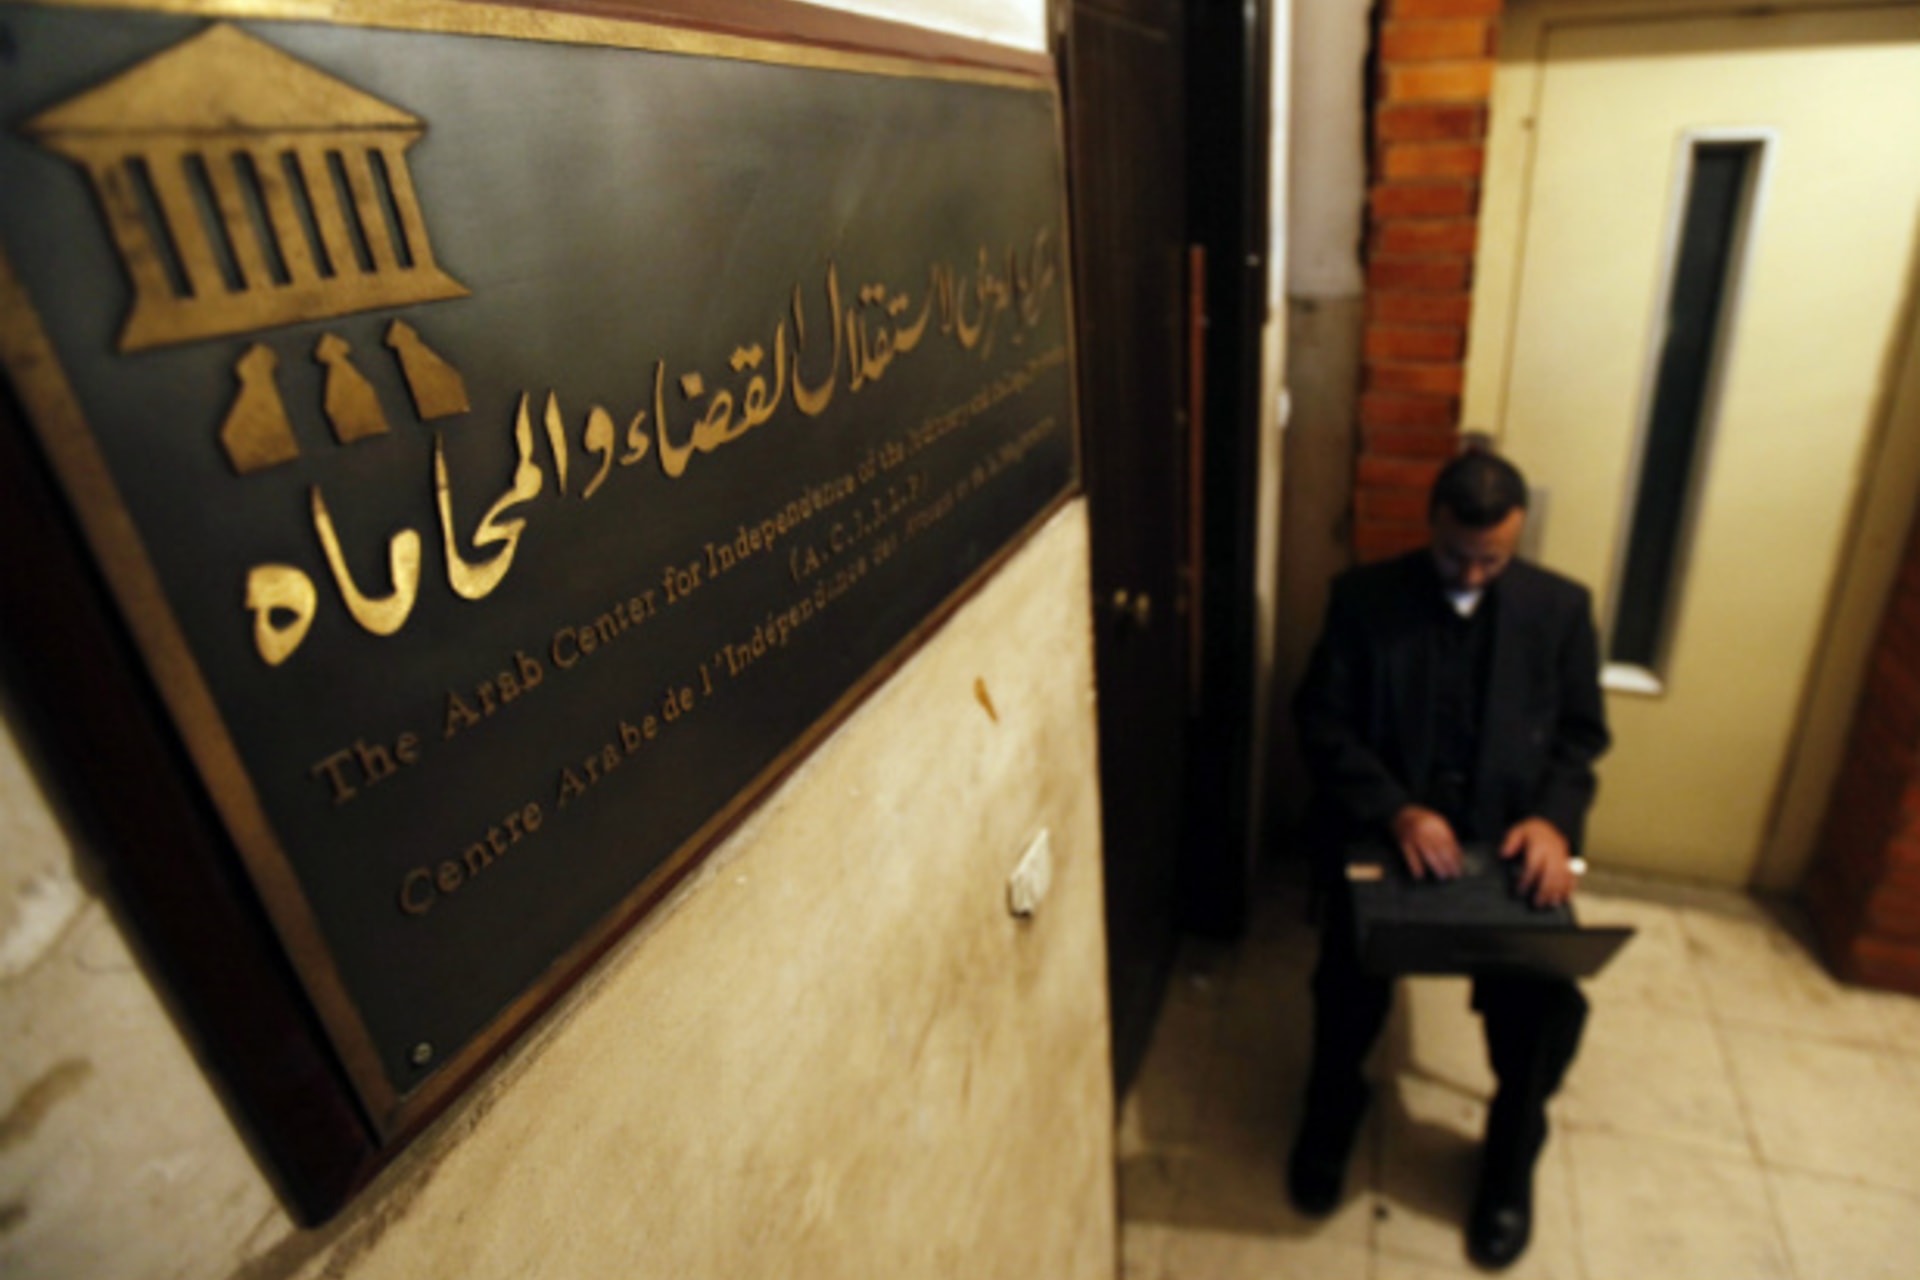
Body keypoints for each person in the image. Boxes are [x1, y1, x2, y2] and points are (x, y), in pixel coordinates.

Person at [1287, 444, 1609, 1269]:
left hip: (1507, 842)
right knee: (1346, 985)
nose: (1470, 573)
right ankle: (1333, 1109)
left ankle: (1509, 1154)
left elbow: (1580, 741)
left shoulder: (1560, 610)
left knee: (1543, 1001)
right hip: (1391, 832)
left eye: (1491, 559)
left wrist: (1552, 823)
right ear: (1431, 524)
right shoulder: (1364, 602)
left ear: (1517, 537)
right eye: (1454, 555)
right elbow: (1320, 722)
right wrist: (1395, 809)